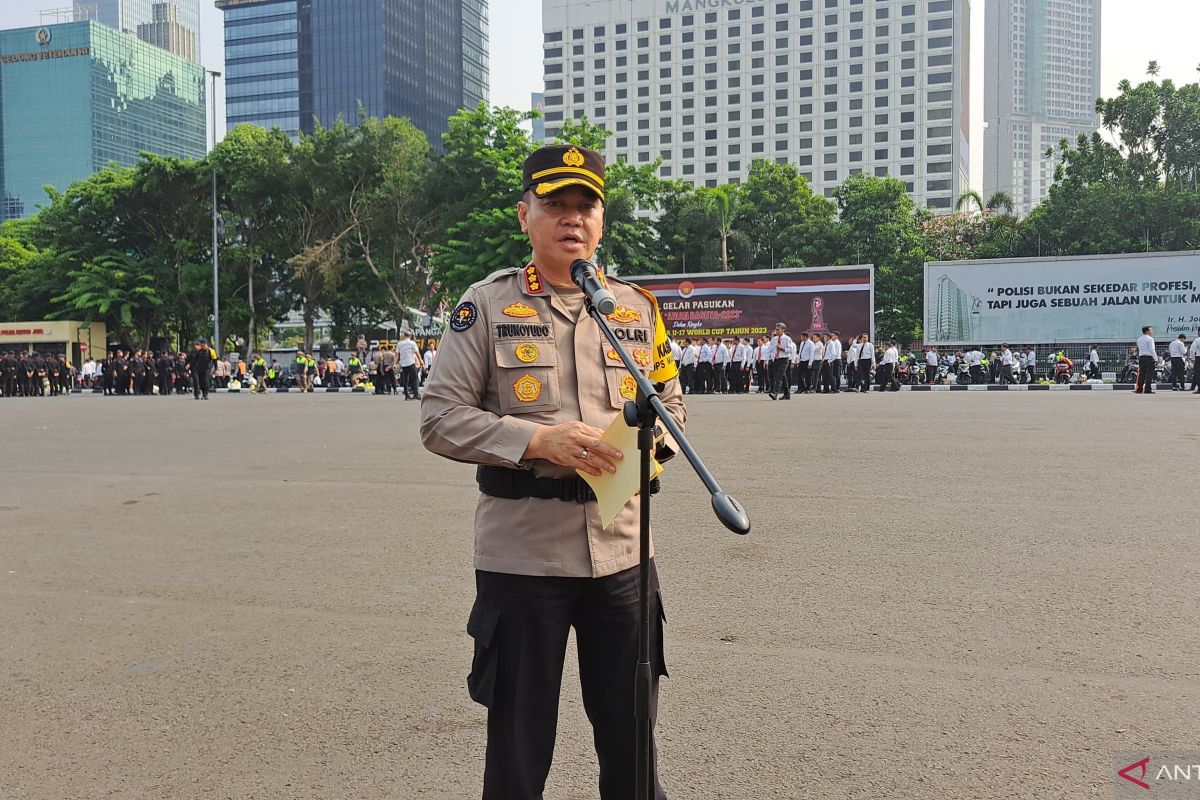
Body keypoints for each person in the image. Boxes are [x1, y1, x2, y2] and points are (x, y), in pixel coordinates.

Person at [419, 144, 680, 800]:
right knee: (518, 746)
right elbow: (439, 418)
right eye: (554, 204)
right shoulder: (486, 305)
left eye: (584, 205)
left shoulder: (636, 309)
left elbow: (671, 406)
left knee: (632, 741)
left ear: (602, 218)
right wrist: (540, 441)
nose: (572, 218)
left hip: (622, 555)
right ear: (524, 215)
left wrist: (641, 453)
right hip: (523, 559)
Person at [397, 331, 422, 400]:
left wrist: (394, 363)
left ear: (404, 336)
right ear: (410, 336)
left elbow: (397, 354)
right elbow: (417, 353)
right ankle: (416, 394)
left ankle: (406, 395)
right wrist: (421, 361)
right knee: (415, 378)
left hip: (404, 364)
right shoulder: (412, 343)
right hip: (411, 363)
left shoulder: (400, 343)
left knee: (405, 380)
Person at [1135, 325, 1156, 394]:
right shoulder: (1150, 339)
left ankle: (1139, 389)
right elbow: (1152, 349)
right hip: (1149, 357)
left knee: (1141, 374)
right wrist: (1155, 358)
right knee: (1149, 374)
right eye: (1151, 330)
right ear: (1147, 331)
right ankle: (1147, 389)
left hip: (1141, 357)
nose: (1152, 332)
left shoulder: (1139, 339)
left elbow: (1139, 348)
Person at [1191, 328, 1200, 393]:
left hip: (1198, 357)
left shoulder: (1197, 340)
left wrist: (1193, 358)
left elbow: (1192, 350)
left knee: (1197, 373)